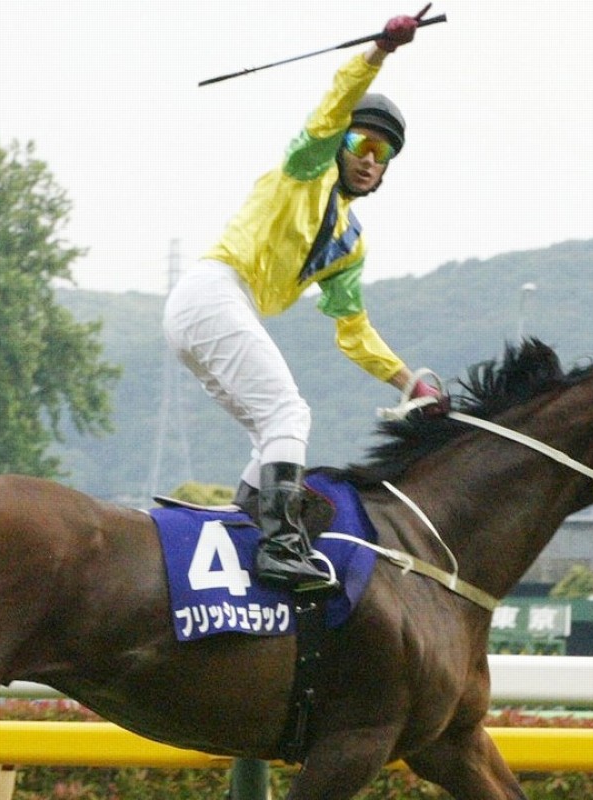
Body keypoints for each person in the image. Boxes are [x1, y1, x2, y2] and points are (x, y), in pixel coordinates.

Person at [162, 14, 447, 592]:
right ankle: (281, 547)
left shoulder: (351, 242)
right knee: (289, 415)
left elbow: (353, 330)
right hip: (213, 291)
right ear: (340, 144)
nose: (369, 159)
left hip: (218, 310)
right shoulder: (306, 168)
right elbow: (335, 103)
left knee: (272, 432)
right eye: (361, 143)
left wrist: (410, 384)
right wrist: (379, 51)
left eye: (382, 154)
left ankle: (247, 528)